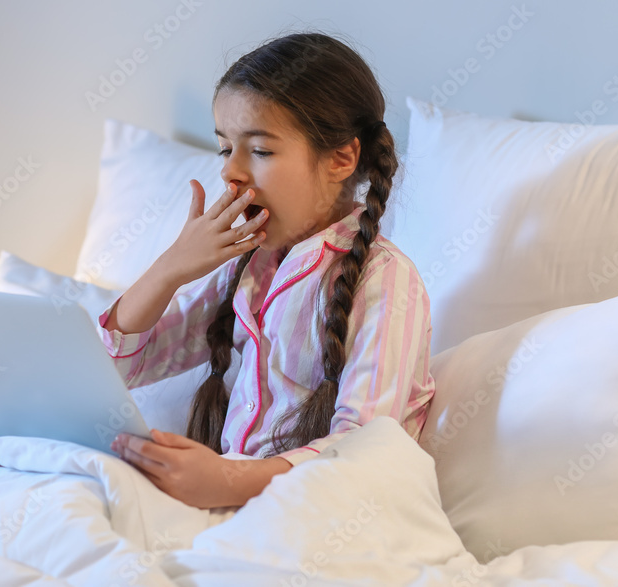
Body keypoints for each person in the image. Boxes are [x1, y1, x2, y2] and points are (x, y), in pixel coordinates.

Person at [97, 31, 434, 509]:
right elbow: (117, 368)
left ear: (342, 158)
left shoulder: (386, 280)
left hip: (329, 523)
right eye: (224, 149)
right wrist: (169, 269)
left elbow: (365, 451)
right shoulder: (246, 267)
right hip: (240, 516)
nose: (230, 172)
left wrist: (228, 480)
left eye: (259, 150)